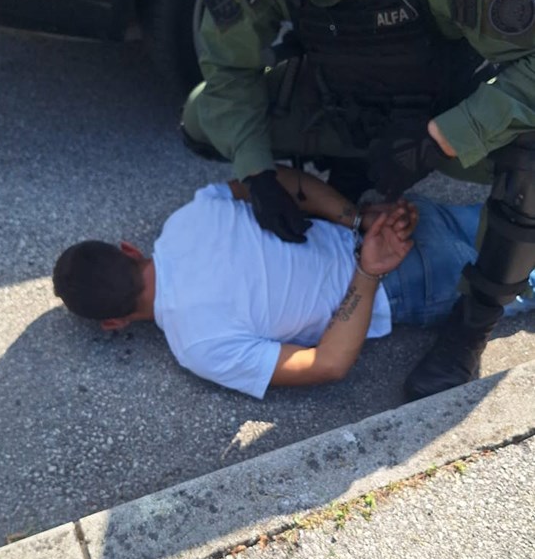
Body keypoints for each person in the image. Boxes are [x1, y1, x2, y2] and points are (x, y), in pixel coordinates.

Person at [180, 0, 535, 402]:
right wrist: (258, 175)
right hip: (344, 100)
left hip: (449, 113)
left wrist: (442, 138)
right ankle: (349, 174)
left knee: (530, 161)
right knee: (204, 117)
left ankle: (473, 323)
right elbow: (227, 66)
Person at [52, 169, 535, 400]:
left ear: (113, 322)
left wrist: (369, 269)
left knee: (517, 268)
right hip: (403, 219)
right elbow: (278, 181)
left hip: (411, 283)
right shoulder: (190, 214)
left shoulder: (197, 346)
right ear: (128, 249)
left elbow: (327, 364)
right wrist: (358, 218)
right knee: (517, 220)